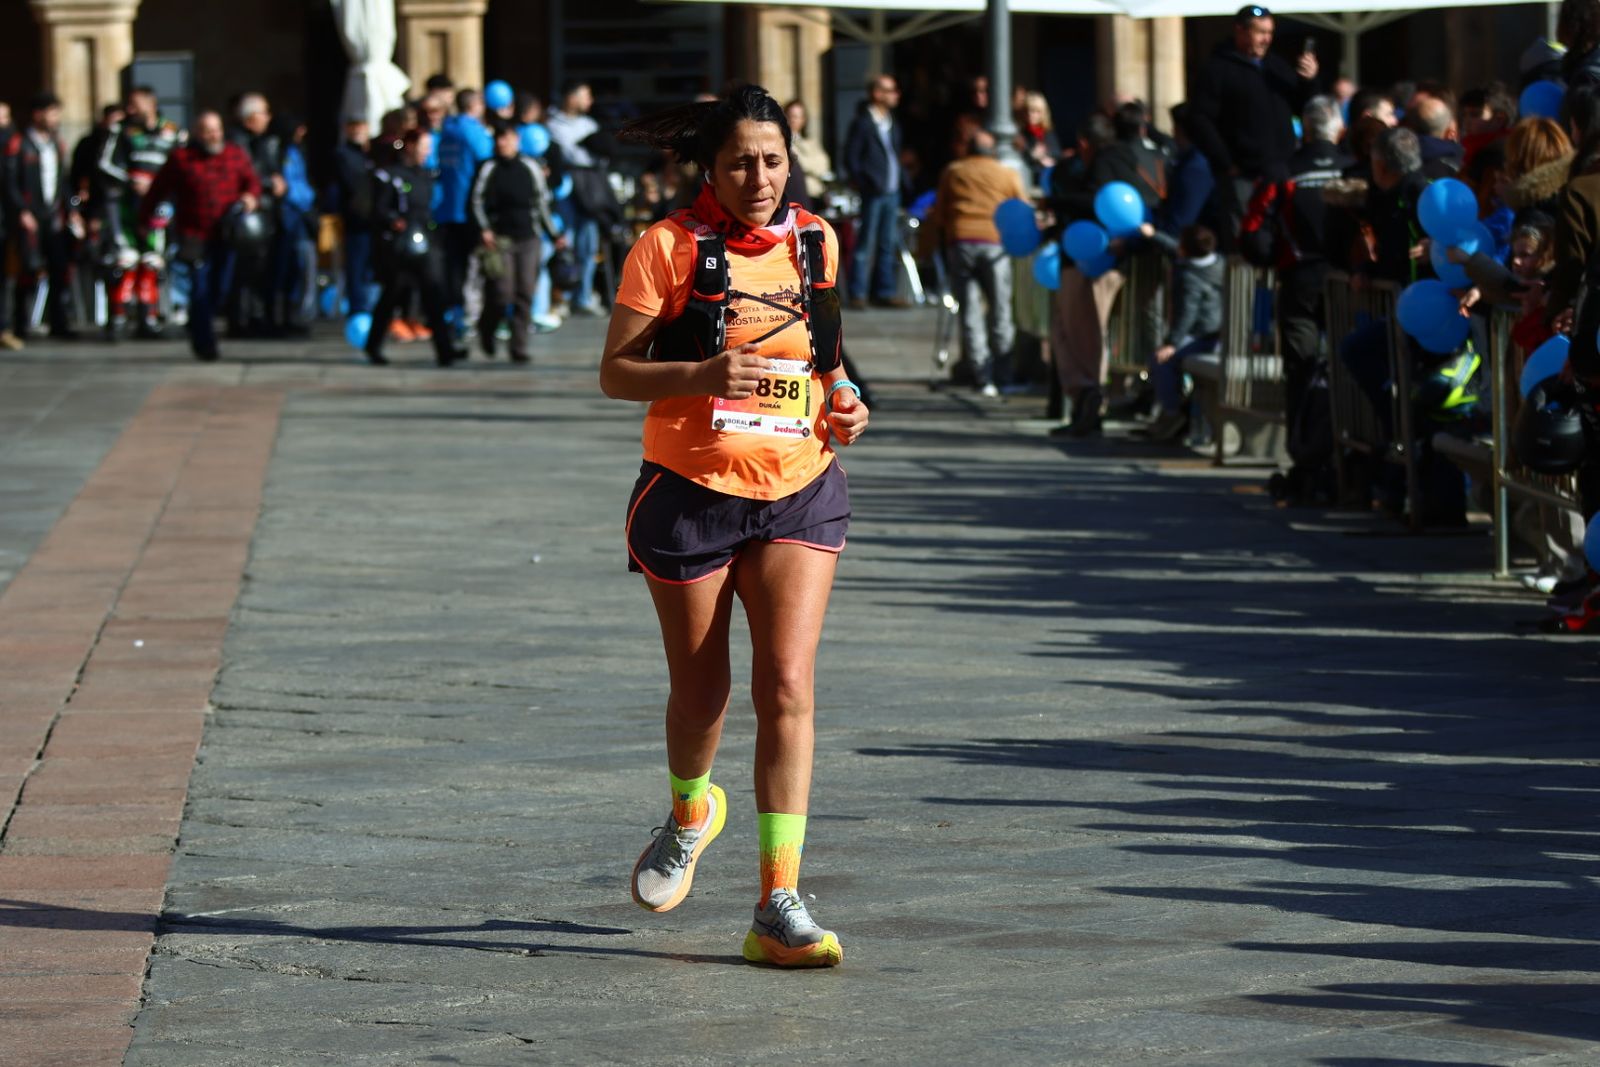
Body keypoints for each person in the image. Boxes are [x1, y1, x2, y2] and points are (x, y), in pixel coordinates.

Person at [600, 84, 868, 969]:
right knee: (701, 694)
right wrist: (702, 372)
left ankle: (777, 901)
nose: (760, 178)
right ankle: (690, 812)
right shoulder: (668, 247)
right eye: (741, 163)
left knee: (787, 683)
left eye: (773, 161)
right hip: (692, 492)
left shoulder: (816, 240)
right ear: (710, 170)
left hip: (799, 484)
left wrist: (847, 398)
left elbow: (826, 359)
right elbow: (616, 372)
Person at [1186, 4, 1319, 244]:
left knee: (1283, 239)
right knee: (1246, 242)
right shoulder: (1217, 68)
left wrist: (1308, 82)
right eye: (1260, 32)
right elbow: (1199, 119)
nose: (1266, 39)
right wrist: (1226, 162)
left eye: (1270, 32)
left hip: (1282, 172)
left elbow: (1302, 107)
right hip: (1244, 176)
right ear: (1240, 31)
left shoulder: (1276, 66)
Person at [140, 110, 259, 361]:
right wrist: (144, 219)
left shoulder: (235, 155)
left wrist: (250, 197)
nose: (213, 135)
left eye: (216, 130)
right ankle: (204, 342)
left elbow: (252, 182)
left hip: (226, 232)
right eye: (207, 131)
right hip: (194, 233)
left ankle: (198, 323)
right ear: (198, 133)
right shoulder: (182, 159)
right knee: (200, 287)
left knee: (221, 287)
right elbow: (158, 189)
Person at [924, 127, 1025, 397]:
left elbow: (941, 211)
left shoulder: (954, 171)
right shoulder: (1006, 173)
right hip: (995, 242)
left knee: (969, 310)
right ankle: (1003, 373)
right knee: (1001, 308)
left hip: (961, 241)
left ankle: (981, 375)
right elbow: (1020, 208)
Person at [366, 127, 461, 367]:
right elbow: (379, 209)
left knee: (434, 293)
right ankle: (373, 345)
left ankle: (445, 349)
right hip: (400, 246)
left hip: (424, 241)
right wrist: (393, 221)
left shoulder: (426, 174)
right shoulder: (391, 175)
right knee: (392, 294)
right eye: (423, 147)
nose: (427, 152)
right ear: (409, 146)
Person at [100, 86, 182, 337]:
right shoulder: (121, 130)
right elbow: (105, 163)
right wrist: (131, 180)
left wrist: (159, 185)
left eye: (135, 104)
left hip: (158, 206)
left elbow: (183, 168)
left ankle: (149, 317)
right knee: (125, 259)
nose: (130, 109)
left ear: (151, 103)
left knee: (152, 260)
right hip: (127, 205)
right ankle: (119, 317)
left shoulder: (173, 132)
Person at [470, 120, 554, 362]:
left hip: (529, 237)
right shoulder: (489, 167)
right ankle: (487, 327)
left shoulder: (530, 166)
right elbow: (476, 201)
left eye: (506, 138)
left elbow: (541, 201)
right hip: (500, 239)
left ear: (516, 140)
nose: (502, 143)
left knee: (525, 292)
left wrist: (554, 234)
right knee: (502, 292)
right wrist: (485, 229)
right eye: (498, 138)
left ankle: (519, 346)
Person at [5, 92, 79, 339]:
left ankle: (59, 322)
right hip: (30, 216)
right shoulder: (19, 143)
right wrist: (21, 211)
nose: (56, 118)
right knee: (29, 268)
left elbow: (63, 181)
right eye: (52, 113)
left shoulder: (57, 144)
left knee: (59, 267)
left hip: (53, 215)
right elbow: (10, 181)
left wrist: (72, 210)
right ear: (38, 114)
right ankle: (20, 323)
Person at [843, 74, 908, 309]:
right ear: (877, 94)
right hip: (874, 192)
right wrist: (864, 182)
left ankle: (884, 291)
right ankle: (858, 292)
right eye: (890, 90)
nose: (896, 95)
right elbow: (850, 157)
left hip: (892, 191)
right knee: (866, 242)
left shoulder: (891, 122)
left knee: (887, 243)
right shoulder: (863, 123)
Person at [228, 92, 286, 336]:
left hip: (265, 212)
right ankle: (244, 319)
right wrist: (270, 183)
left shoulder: (265, 141)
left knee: (262, 269)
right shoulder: (237, 142)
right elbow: (246, 174)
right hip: (248, 214)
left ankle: (259, 317)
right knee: (246, 270)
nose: (268, 118)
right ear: (250, 117)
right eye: (264, 113)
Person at [546, 80, 605, 315]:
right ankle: (563, 295)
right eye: (585, 95)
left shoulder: (590, 124)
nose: (590, 101)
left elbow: (599, 155)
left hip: (589, 187)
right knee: (566, 241)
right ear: (571, 97)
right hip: (566, 188)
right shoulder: (552, 124)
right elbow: (570, 154)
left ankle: (583, 295)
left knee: (588, 243)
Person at [435, 87, 495, 320]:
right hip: (467, 205)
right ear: (473, 105)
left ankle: (452, 309)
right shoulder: (473, 130)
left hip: (445, 205)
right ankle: (466, 312)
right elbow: (487, 159)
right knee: (471, 264)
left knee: (451, 263)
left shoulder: (447, 129)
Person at [331, 116, 375, 315]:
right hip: (356, 216)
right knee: (356, 264)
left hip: (372, 217)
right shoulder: (343, 154)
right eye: (353, 127)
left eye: (361, 126)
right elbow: (353, 182)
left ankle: (367, 305)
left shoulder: (370, 154)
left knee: (368, 265)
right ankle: (358, 308)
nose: (357, 131)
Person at [783, 99, 831, 209]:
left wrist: (806, 163)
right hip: (797, 194)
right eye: (790, 116)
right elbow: (798, 163)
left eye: (797, 117)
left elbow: (824, 165)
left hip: (816, 194)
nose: (793, 120)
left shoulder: (811, 142)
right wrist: (811, 163)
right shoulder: (784, 142)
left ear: (803, 119)